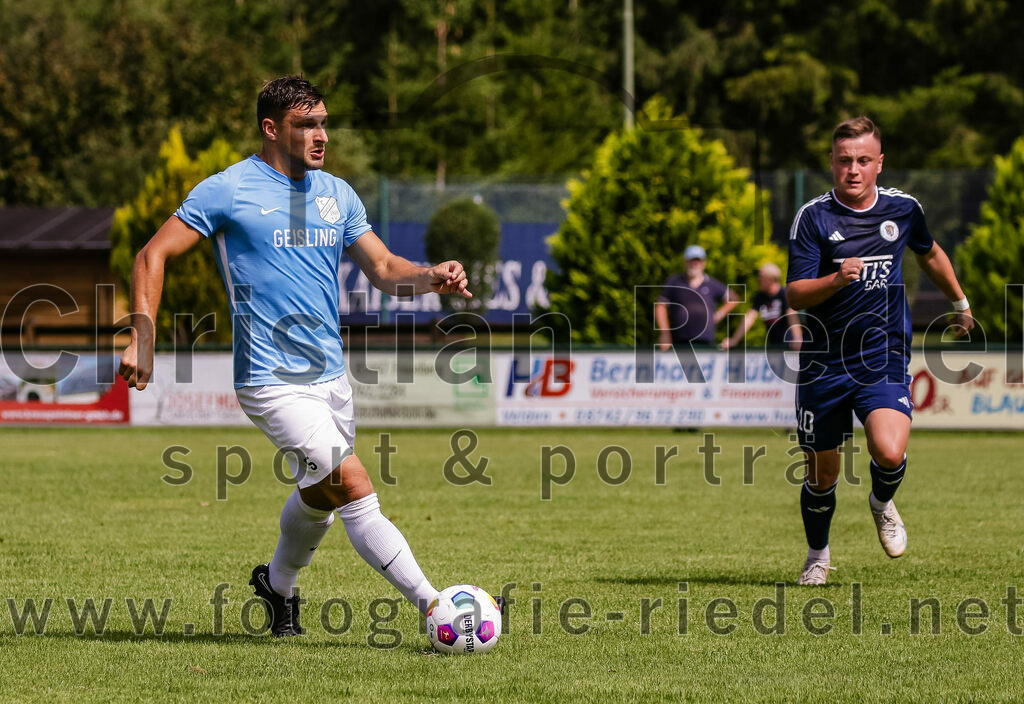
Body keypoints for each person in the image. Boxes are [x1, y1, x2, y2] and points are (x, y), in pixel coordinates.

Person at [118, 76, 475, 635]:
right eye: (306, 124)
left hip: (331, 378)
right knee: (353, 483)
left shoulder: (337, 194)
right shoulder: (228, 190)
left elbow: (383, 269)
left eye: (323, 122)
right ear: (271, 129)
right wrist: (143, 334)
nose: (320, 135)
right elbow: (150, 254)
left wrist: (431, 277)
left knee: (321, 496)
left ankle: (277, 588)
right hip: (269, 379)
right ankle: (438, 609)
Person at [787, 116, 974, 585]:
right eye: (845, 160)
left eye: (863, 160)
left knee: (889, 452)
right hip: (823, 364)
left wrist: (960, 302)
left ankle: (881, 502)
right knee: (822, 476)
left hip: (882, 356)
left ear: (879, 164)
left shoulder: (904, 210)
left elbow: (929, 252)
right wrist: (836, 278)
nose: (853, 169)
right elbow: (795, 294)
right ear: (831, 162)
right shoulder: (813, 217)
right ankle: (818, 556)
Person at [656, 244, 739, 349]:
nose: (694, 264)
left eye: (698, 260)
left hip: (705, 340)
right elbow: (661, 306)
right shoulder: (675, 281)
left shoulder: (712, 284)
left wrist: (719, 315)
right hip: (679, 340)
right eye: (691, 260)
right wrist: (664, 334)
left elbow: (734, 298)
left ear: (703, 263)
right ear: (685, 262)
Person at [720, 262, 803, 351]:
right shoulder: (760, 297)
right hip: (775, 346)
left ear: (770, 279)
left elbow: (791, 314)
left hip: (790, 346)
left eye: (761, 277)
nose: (758, 279)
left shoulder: (784, 294)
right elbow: (750, 317)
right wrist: (734, 340)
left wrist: (797, 338)